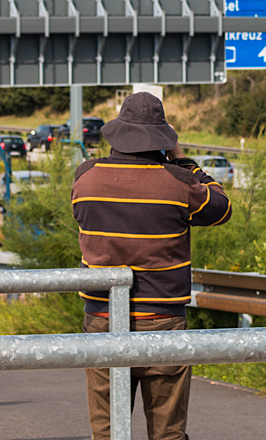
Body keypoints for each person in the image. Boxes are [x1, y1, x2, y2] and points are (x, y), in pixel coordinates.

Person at [72, 91, 232, 440]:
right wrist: (185, 163)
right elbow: (222, 207)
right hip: (162, 322)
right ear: (161, 139)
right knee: (167, 435)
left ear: (118, 134)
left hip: (101, 319)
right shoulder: (180, 183)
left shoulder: (85, 177)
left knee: (109, 434)